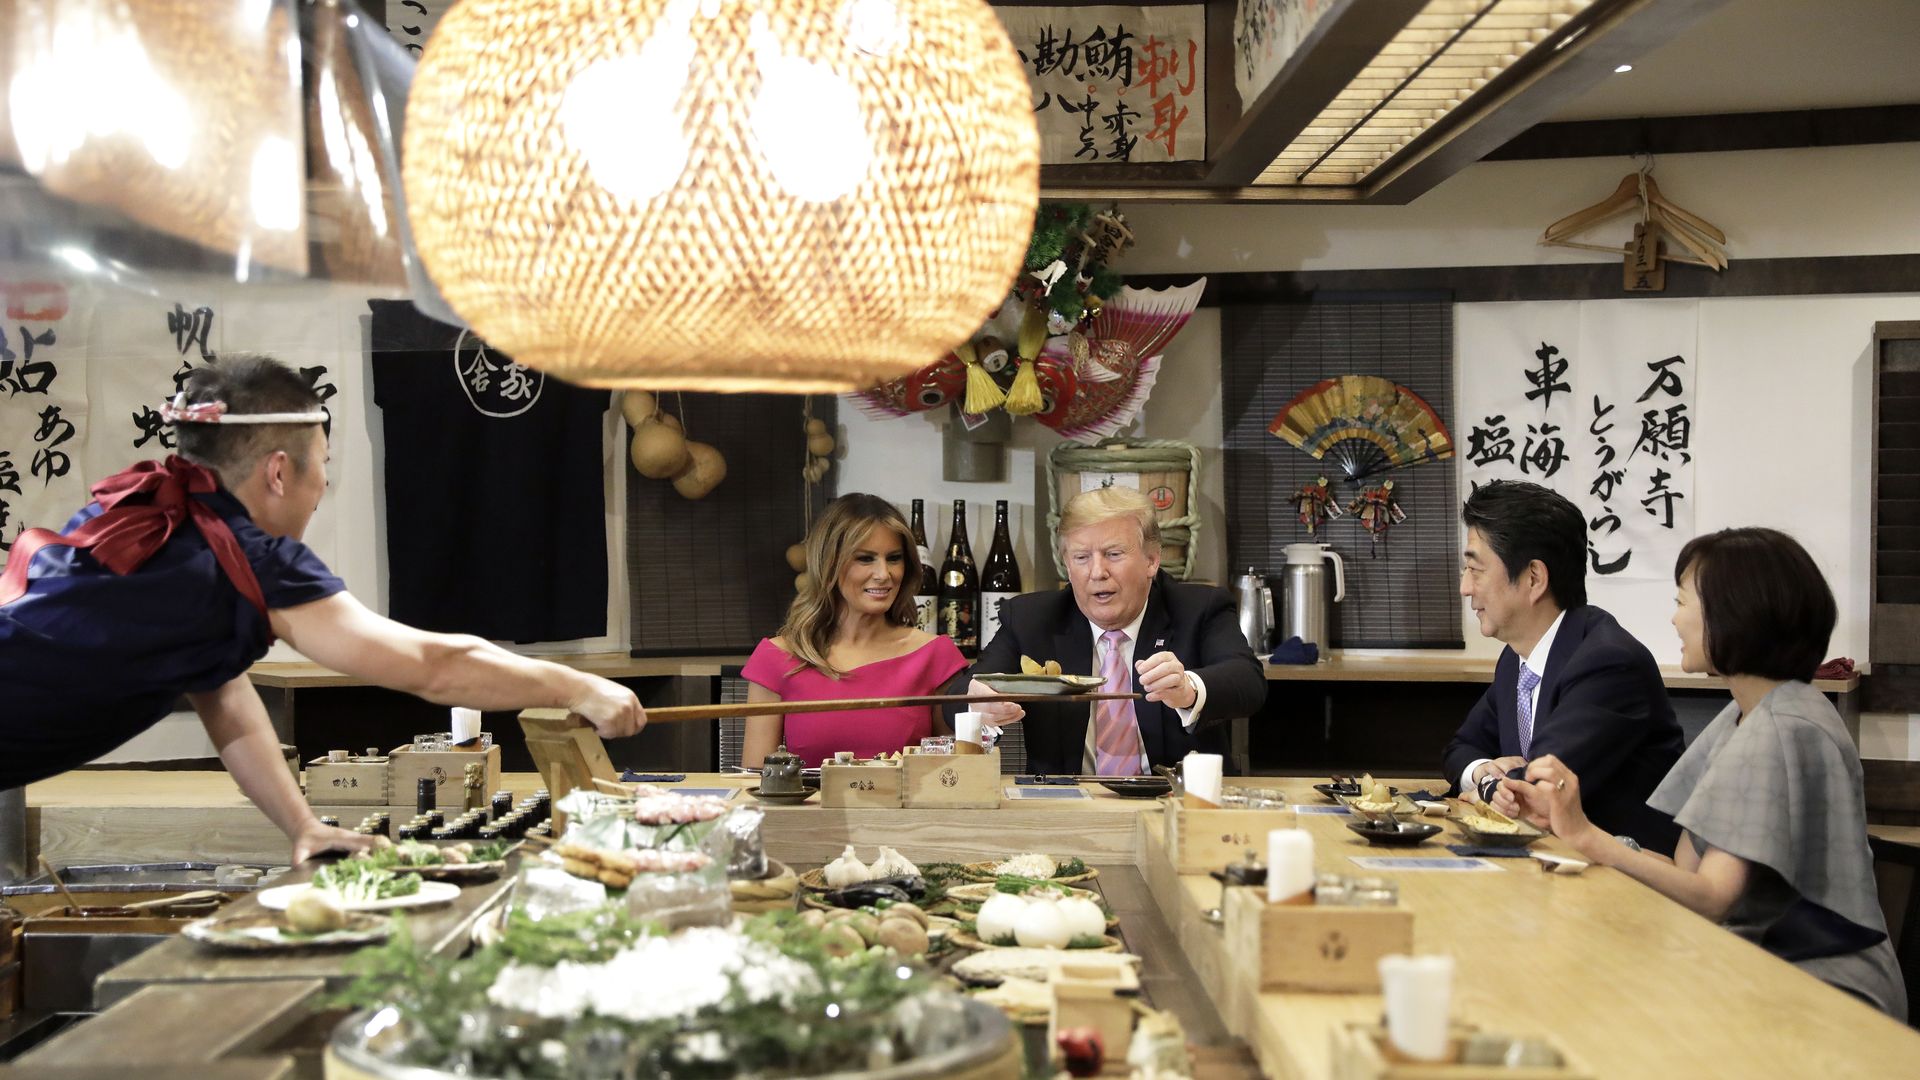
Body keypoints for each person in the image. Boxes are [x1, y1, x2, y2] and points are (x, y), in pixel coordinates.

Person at [0, 356, 645, 862]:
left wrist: (304, 826)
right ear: (279, 472)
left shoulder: (154, 521)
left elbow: (228, 703)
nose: (322, 491)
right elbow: (432, 667)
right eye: (323, 469)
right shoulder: (245, 556)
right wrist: (578, 685)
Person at [1503, 528, 1906, 1020]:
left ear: (1734, 612)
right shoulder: (1748, 713)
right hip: (1759, 964)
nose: (1674, 619)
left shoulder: (1782, 725)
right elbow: (1686, 874)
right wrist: (1576, 827)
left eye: (1683, 601)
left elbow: (1713, 899)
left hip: (1824, 988)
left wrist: (1588, 838)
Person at [952, 486, 1265, 776]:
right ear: (1066, 564)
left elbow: (1247, 681)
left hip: (1176, 803)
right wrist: (976, 701)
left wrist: (1188, 689)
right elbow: (958, 694)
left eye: (1114, 554)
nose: (1097, 573)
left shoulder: (1198, 608)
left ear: (1152, 560)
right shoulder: (1031, 619)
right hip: (1069, 810)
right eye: (1081, 558)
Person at [1442, 480, 1683, 852]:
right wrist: (1483, 771)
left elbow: (1536, 792)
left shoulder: (1608, 662)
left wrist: (1486, 788)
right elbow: (1461, 748)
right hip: (1550, 865)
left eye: (1476, 570)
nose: (1465, 587)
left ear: (1534, 578)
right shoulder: (1516, 659)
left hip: (1628, 884)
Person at [741, 494, 967, 768]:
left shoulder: (935, 655)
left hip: (907, 811)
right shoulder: (776, 658)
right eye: (865, 559)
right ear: (830, 563)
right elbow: (754, 781)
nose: (884, 574)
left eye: (894, 558)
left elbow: (955, 774)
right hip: (811, 811)